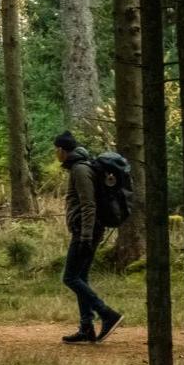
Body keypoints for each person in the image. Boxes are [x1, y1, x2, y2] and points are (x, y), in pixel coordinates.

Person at [54, 130, 123, 344]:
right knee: (80, 278)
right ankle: (86, 327)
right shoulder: (81, 167)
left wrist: (84, 237)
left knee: (70, 277)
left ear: (62, 150)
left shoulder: (80, 170)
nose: (55, 154)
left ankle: (107, 313)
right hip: (88, 231)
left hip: (87, 232)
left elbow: (88, 204)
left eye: (56, 150)